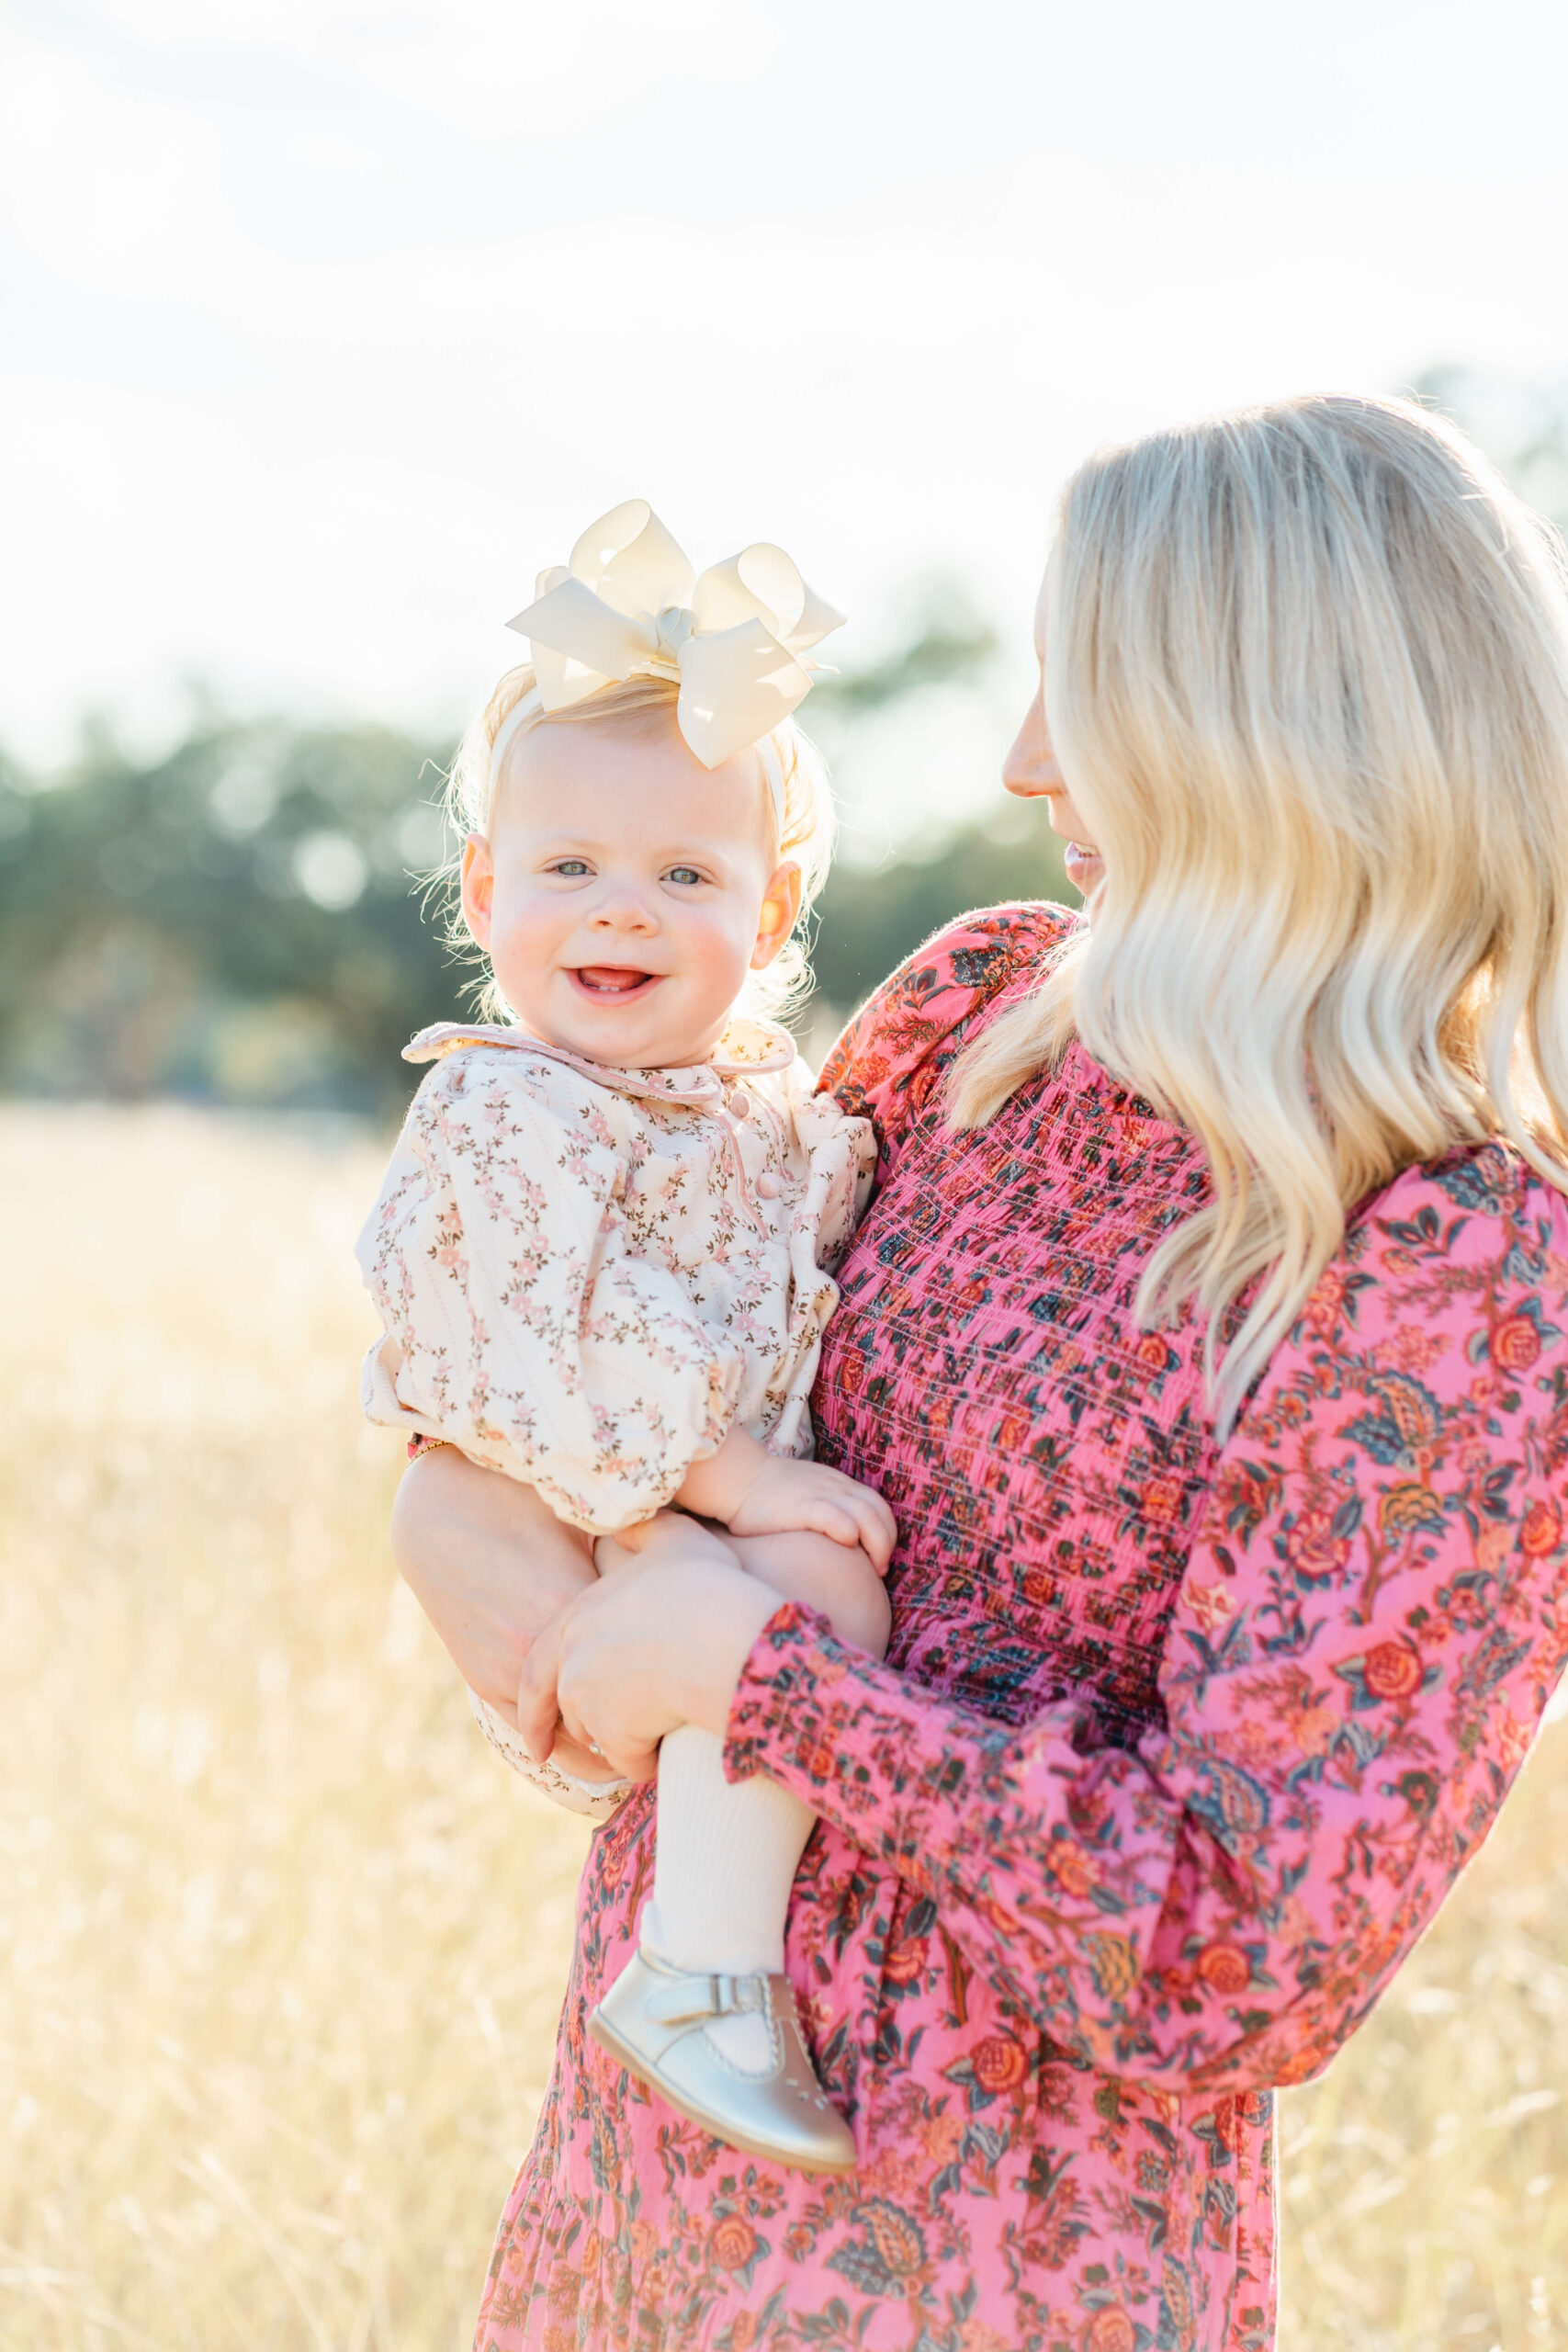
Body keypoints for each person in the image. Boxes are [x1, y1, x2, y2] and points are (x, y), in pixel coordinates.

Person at [395, 397, 1568, 2352]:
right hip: (645, 2173)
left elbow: (1237, 1950)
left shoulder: (1457, 1256)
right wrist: (464, 1501)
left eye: (1072, 688)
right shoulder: (972, 1017)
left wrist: (763, 1679)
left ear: (1251, 731)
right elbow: (679, 1350)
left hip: (992, 2250)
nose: (1021, 756)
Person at [356, 502, 893, 2174]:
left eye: (686, 874)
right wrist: (728, 1477)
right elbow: (521, 1356)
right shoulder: (511, 1110)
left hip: (665, 1504)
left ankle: (708, 1953)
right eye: (569, 869)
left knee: (818, 1604)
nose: (622, 912)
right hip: (584, 1490)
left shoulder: (743, 1101)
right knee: (802, 1601)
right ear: (484, 883)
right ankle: (705, 1970)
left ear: (776, 898)